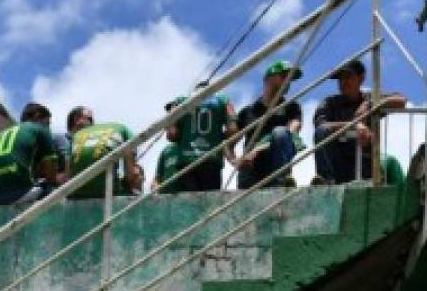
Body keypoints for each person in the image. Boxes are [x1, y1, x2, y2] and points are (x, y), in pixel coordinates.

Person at [313, 59, 407, 184]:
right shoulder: (330, 103)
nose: (343, 82)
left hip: (365, 165)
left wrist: (370, 104)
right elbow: (320, 125)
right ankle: (325, 183)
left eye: (348, 76)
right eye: (340, 79)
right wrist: (354, 126)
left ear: (361, 79)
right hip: (338, 164)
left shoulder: (369, 99)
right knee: (321, 131)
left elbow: (401, 100)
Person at [237, 60, 304, 189]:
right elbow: (228, 142)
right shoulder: (247, 111)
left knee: (281, 132)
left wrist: (257, 149)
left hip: (275, 169)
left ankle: (280, 185)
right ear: (268, 79)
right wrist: (236, 161)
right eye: (284, 76)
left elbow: (292, 131)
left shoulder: (292, 108)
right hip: (250, 171)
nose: (288, 82)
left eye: (290, 79)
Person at [0, 102, 59, 206]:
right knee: (55, 189)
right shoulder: (41, 129)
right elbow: (51, 176)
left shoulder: (0, 134)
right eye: (47, 123)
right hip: (19, 193)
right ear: (37, 116)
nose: (48, 127)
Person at [166, 84, 237, 192]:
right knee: (209, 204)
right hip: (212, 160)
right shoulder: (223, 100)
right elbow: (233, 130)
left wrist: (185, 136)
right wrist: (217, 136)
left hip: (187, 162)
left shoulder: (180, 101)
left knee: (189, 204)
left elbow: (171, 134)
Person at [68, 117, 142, 199]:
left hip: (75, 192)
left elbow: (67, 176)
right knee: (135, 184)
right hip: (106, 191)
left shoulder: (77, 135)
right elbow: (130, 175)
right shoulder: (124, 130)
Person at [55, 106, 92, 178]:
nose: (92, 123)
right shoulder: (59, 139)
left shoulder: (89, 143)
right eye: (89, 119)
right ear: (76, 119)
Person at [154, 125, 184, 194]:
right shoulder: (166, 150)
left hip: (184, 193)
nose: (166, 129)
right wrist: (155, 187)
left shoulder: (188, 148)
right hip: (166, 195)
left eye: (169, 126)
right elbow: (157, 177)